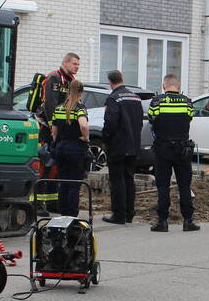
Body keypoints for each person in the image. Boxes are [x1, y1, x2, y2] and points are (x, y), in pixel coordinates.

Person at [147, 74, 199, 232]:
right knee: (184, 185)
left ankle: (162, 221)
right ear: (178, 86)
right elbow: (190, 118)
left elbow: (151, 119)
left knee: (163, 185)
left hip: (162, 149)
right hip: (183, 149)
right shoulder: (188, 102)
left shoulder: (157, 102)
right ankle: (188, 221)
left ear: (164, 86)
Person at [31, 53, 80, 214]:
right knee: (43, 164)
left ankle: (52, 202)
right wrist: (53, 125)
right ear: (65, 63)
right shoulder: (53, 78)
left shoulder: (71, 81)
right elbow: (49, 103)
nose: (77, 67)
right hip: (46, 128)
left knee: (55, 166)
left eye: (78, 64)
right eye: (74, 64)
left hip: (61, 129)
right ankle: (36, 203)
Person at [101, 69, 143, 224]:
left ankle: (119, 215)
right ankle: (129, 213)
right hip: (134, 145)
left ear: (110, 82)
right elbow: (139, 121)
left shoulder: (113, 98)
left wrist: (106, 139)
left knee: (117, 180)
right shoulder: (136, 98)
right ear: (122, 79)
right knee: (129, 179)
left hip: (118, 146)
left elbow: (110, 122)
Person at [50, 80, 91, 217]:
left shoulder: (59, 108)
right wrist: (86, 137)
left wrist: (57, 143)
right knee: (74, 184)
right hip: (75, 148)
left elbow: (54, 131)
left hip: (61, 147)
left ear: (68, 91)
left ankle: (63, 212)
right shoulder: (79, 108)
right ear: (81, 93)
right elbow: (83, 125)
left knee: (63, 182)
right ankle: (72, 214)